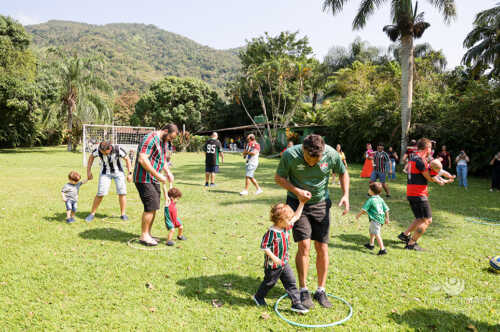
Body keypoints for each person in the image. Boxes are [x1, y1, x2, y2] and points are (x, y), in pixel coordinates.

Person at [275, 134, 350, 308]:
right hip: (297, 203)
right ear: (303, 149)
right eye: (309, 159)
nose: (311, 163)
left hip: (321, 204)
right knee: (304, 246)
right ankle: (303, 290)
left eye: (316, 160)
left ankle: (321, 290)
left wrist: (345, 194)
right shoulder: (290, 155)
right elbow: (279, 178)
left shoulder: (331, 154)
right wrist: (296, 191)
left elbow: (343, 173)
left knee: (322, 247)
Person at [253, 199, 309, 313]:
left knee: (291, 282)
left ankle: (296, 304)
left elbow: (296, 216)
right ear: (279, 220)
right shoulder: (271, 232)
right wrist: (274, 258)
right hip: (273, 265)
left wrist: (302, 203)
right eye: (288, 219)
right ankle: (258, 297)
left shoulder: (286, 227)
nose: (290, 221)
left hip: (284, 263)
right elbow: (264, 246)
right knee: (269, 283)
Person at [397, 138, 446, 251]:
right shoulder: (420, 160)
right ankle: (411, 243)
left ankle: (404, 235)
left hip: (411, 192)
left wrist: (439, 179)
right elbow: (428, 177)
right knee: (427, 220)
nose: (431, 151)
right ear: (427, 148)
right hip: (419, 193)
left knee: (419, 218)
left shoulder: (413, 158)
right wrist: (438, 180)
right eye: (430, 148)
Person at [134, 123, 178, 246]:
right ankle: (144, 236)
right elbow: (142, 159)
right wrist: (158, 175)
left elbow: (162, 160)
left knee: (154, 206)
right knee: (150, 207)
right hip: (143, 179)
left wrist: (167, 172)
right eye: (171, 137)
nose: (171, 140)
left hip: (153, 179)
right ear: (165, 130)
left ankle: (148, 234)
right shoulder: (150, 138)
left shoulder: (163, 142)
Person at [85, 141, 133, 222]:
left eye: (105, 152)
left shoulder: (118, 149)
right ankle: (92, 214)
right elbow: (91, 157)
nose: (104, 154)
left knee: (122, 193)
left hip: (118, 173)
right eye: (102, 152)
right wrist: (88, 171)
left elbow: (127, 159)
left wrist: (130, 173)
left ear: (110, 148)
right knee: (100, 193)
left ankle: (123, 214)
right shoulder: (98, 150)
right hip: (105, 173)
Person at [355, 182, 390, 255]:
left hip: (375, 219)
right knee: (372, 231)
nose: (368, 190)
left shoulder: (370, 200)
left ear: (371, 191)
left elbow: (364, 210)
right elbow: (386, 209)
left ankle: (382, 249)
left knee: (377, 234)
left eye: (369, 189)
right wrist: (387, 218)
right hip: (380, 219)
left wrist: (358, 215)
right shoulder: (380, 199)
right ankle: (371, 244)